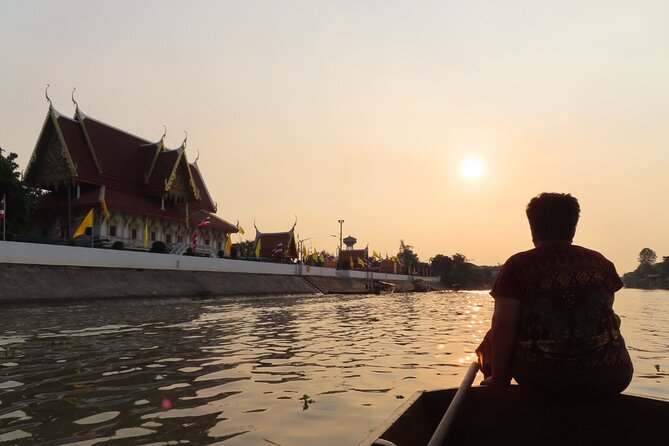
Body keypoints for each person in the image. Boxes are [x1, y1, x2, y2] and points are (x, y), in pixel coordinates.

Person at [476, 192, 633, 397]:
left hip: (543, 378)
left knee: (492, 337)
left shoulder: (518, 265)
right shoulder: (600, 262)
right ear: (573, 228)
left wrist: (498, 377)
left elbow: (503, 324)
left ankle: (497, 379)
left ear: (533, 228)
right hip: (612, 375)